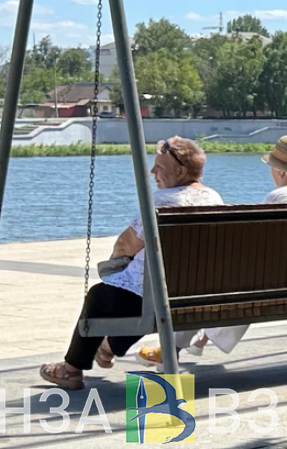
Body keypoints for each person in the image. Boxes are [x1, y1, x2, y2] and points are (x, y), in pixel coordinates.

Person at [39, 137, 223, 390]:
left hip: (157, 299)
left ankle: (70, 370)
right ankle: (108, 348)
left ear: (180, 172)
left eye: (159, 166)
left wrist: (116, 262)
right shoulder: (213, 197)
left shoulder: (161, 202)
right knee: (143, 298)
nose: (153, 171)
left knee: (101, 296)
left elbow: (127, 245)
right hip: (194, 295)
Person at [138, 135, 287, 365]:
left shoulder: (278, 197)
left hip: (275, 284)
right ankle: (196, 342)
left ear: (280, 171)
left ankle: (172, 349)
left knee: (206, 279)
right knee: (242, 278)